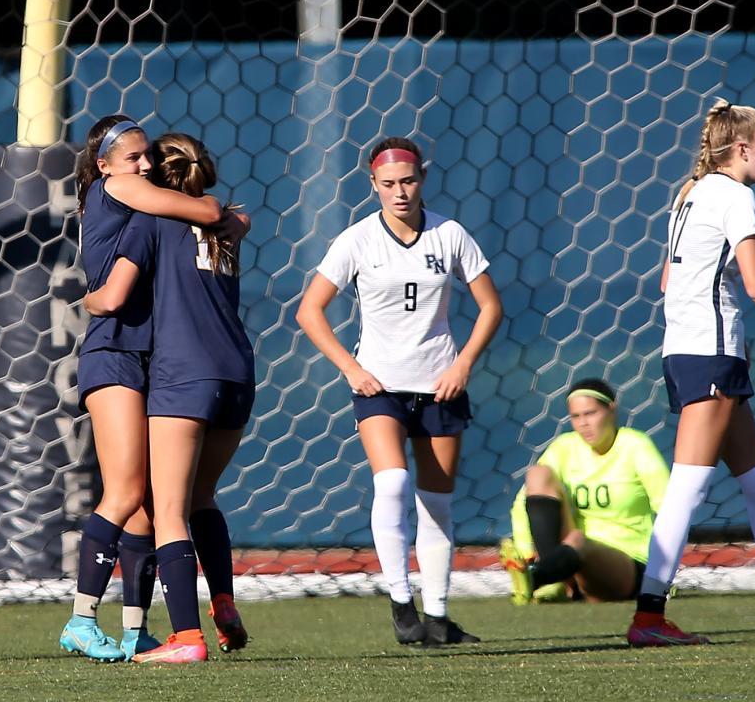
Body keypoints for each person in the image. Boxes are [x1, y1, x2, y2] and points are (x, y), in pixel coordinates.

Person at [627, 99, 755, 647]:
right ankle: (648, 617)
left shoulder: (689, 194)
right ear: (741, 149)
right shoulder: (734, 195)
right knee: (686, 491)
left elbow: (669, 280)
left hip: (696, 351)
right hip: (710, 353)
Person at [296, 137, 503, 646]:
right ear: (373, 185)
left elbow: (491, 307)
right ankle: (400, 604)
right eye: (388, 184)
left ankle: (437, 617)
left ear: (422, 179)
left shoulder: (449, 234)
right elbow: (309, 310)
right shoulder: (357, 240)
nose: (400, 191)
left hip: (439, 386)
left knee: (436, 503)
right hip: (380, 386)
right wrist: (350, 367)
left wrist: (463, 365)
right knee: (391, 484)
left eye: (407, 180)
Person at [84, 133, 254, 664]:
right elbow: (232, 220)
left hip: (184, 376)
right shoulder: (225, 228)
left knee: (168, 511)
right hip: (238, 375)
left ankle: (184, 638)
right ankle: (222, 603)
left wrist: (84, 295)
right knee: (202, 497)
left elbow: (112, 296)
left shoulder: (149, 221)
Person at [500, 379, 669, 605]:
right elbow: (521, 504)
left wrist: (663, 575)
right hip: (570, 561)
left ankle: (536, 578)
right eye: (576, 417)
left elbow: (670, 510)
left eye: (590, 413)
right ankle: (549, 578)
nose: (583, 424)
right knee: (538, 474)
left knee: (580, 540)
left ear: (611, 409)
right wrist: (525, 552)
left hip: (626, 566)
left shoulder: (635, 445)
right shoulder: (564, 447)